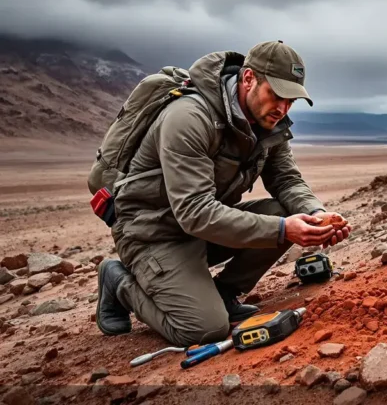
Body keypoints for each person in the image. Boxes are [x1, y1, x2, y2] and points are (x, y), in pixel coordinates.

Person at [95, 40, 351, 347]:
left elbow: (286, 180)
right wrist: (285, 230)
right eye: (277, 95)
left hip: (201, 229)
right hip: (153, 232)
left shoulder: (270, 122)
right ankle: (119, 281)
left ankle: (224, 294)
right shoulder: (190, 117)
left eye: (291, 101)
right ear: (248, 79)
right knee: (203, 329)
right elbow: (195, 211)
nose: (283, 108)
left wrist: (316, 215)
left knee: (283, 212)